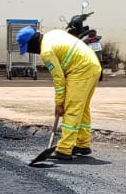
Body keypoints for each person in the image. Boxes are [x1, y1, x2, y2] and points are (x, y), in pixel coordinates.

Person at [17, 24, 100, 161]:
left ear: (32, 43)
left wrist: (59, 103)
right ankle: (82, 144)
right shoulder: (53, 34)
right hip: (92, 65)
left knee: (71, 109)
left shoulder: (46, 52)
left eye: (29, 49)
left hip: (81, 70)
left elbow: (59, 79)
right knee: (82, 108)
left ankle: (64, 149)